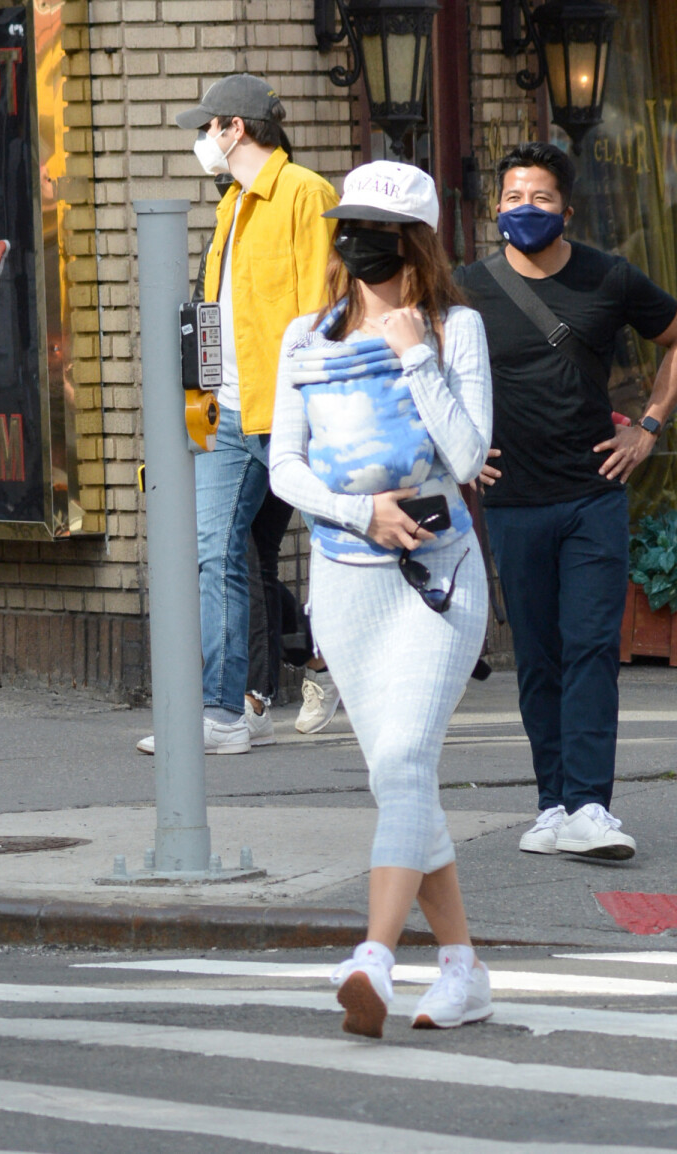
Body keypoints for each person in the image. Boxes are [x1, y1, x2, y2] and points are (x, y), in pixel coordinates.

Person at [270, 161, 494, 1038]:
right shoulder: (306, 337)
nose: (356, 242)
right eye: (348, 225)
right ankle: (464, 969)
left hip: (439, 583)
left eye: (378, 230)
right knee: (397, 777)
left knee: (403, 766)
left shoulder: (456, 328)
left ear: (415, 245)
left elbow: (470, 455)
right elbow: (286, 465)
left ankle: (373, 953)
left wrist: (414, 356)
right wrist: (359, 510)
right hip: (346, 581)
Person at [455, 142, 677, 860]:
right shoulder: (467, 289)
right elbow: (416, 366)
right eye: (515, 198)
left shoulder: (607, 277)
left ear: (567, 209)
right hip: (514, 501)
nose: (526, 210)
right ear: (496, 207)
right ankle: (551, 803)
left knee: (588, 648)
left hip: (593, 495)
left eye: (541, 199)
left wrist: (648, 427)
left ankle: (589, 805)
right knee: (542, 657)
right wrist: (456, 447)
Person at [137, 74, 338, 757]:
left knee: (344, 543)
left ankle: (334, 666)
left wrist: (311, 403)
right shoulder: (232, 204)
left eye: (208, 127)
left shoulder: (304, 193)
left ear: (236, 129)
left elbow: (319, 306)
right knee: (214, 553)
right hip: (229, 408)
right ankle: (225, 709)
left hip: (285, 406)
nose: (203, 140)